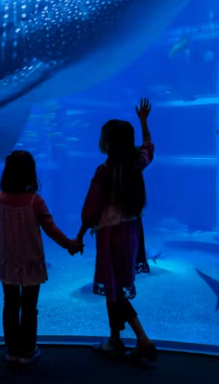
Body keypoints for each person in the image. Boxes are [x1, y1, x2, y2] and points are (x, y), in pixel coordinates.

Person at [0, 153, 83, 364]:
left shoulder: (1, 198)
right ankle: (28, 349)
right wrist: (70, 244)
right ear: (31, 174)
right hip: (31, 264)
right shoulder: (35, 201)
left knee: (10, 305)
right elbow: (51, 230)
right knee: (29, 307)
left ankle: (12, 350)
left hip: (7, 263)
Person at [74, 99, 157, 364]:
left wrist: (79, 234)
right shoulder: (136, 163)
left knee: (113, 288)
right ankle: (114, 340)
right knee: (114, 287)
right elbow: (148, 149)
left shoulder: (105, 170)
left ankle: (142, 339)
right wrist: (144, 121)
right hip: (133, 231)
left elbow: (90, 209)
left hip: (111, 235)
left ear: (108, 143)